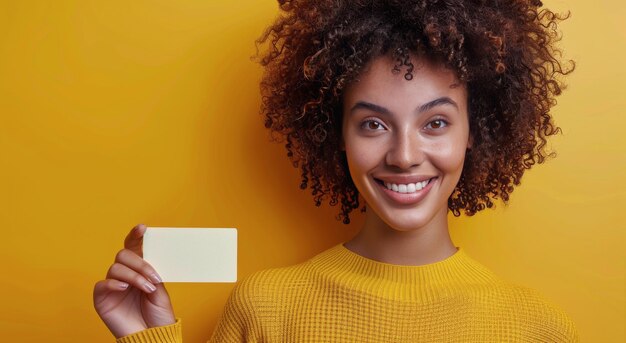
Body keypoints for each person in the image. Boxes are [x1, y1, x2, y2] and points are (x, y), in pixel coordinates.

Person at [94, 0, 578, 342]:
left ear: (475, 129)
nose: (404, 155)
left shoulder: (539, 330)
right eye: (373, 123)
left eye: (435, 122)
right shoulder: (267, 310)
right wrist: (146, 337)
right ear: (337, 134)